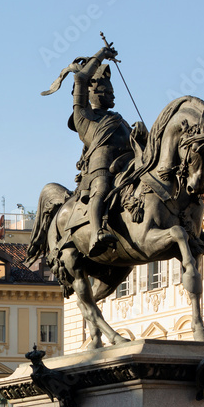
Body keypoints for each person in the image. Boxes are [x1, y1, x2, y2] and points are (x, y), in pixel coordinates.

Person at [55, 45, 135, 255]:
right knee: (101, 188)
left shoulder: (119, 120)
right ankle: (96, 233)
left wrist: (142, 135)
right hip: (100, 169)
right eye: (108, 92)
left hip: (128, 164)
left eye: (113, 92)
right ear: (94, 94)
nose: (113, 97)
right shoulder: (84, 118)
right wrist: (100, 55)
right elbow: (81, 78)